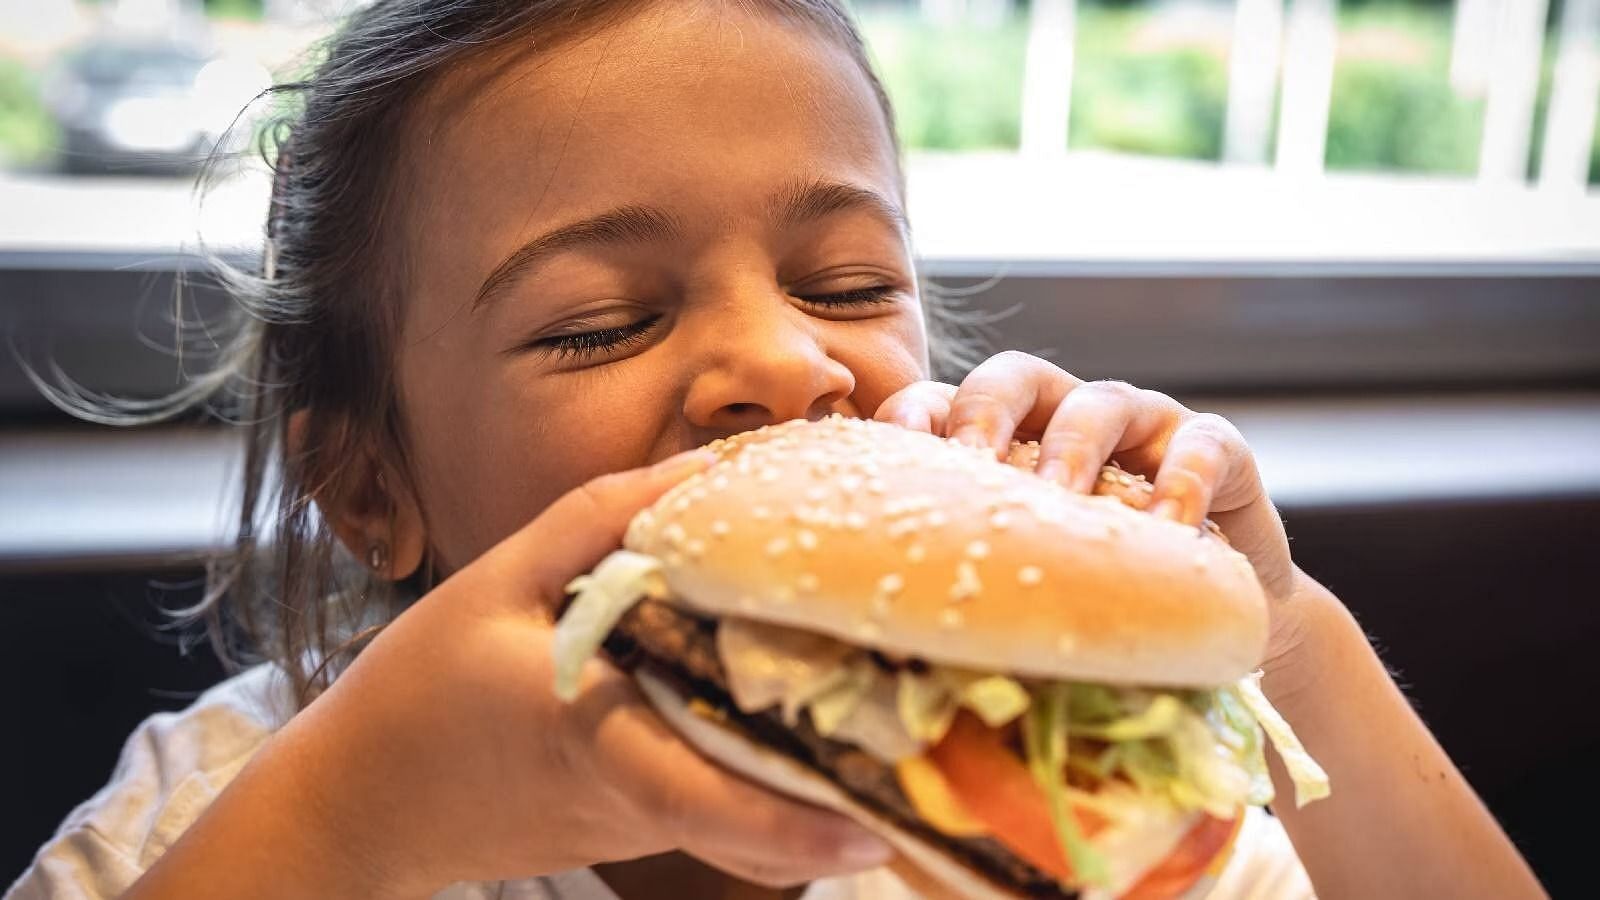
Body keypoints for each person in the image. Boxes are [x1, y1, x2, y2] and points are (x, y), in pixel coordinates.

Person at [8, 1, 1545, 898]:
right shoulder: (229, 798)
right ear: (370, 486)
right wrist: (348, 820)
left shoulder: (1079, 777)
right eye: (600, 322)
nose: (789, 360)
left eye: (851, 288)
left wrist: (1273, 638)